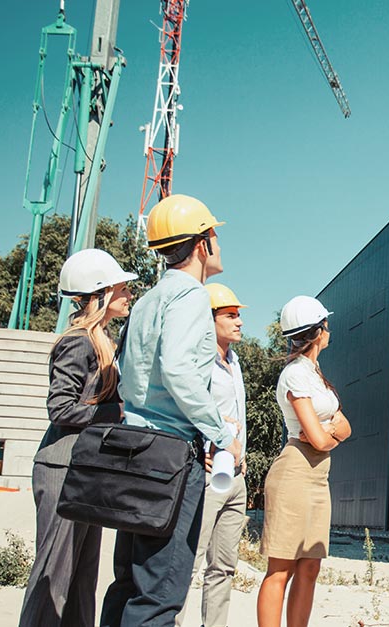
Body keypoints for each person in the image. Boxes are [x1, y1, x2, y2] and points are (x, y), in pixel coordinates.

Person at [100, 194, 243, 627]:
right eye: (214, 233)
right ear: (202, 244)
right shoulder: (191, 297)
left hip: (135, 450)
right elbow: (179, 370)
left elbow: (126, 376)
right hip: (170, 460)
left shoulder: (146, 301)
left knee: (127, 583)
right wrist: (222, 434)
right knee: (160, 592)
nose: (218, 242)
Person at [19, 248, 136, 627]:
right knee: (53, 575)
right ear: (101, 292)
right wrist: (116, 413)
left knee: (84, 577)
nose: (129, 294)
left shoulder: (102, 342)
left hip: (85, 469)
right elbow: (61, 408)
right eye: (122, 288)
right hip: (62, 467)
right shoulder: (77, 342)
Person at [256, 295, 352, 627]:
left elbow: (342, 429)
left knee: (310, 565)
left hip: (318, 475)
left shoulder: (314, 373)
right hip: (295, 471)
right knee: (281, 568)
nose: (329, 329)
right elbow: (323, 436)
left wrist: (330, 432)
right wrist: (332, 430)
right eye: (326, 324)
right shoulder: (295, 374)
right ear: (319, 330)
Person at [176, 283, 249, 627]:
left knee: (223, 567)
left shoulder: (234, 362)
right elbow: (188, 408)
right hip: (206, 474)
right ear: (210, 320)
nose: (239, 322)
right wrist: (202, 448)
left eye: (239, 316)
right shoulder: (198, 362)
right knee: (188, 561)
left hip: (236, 477)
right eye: (231, 315)